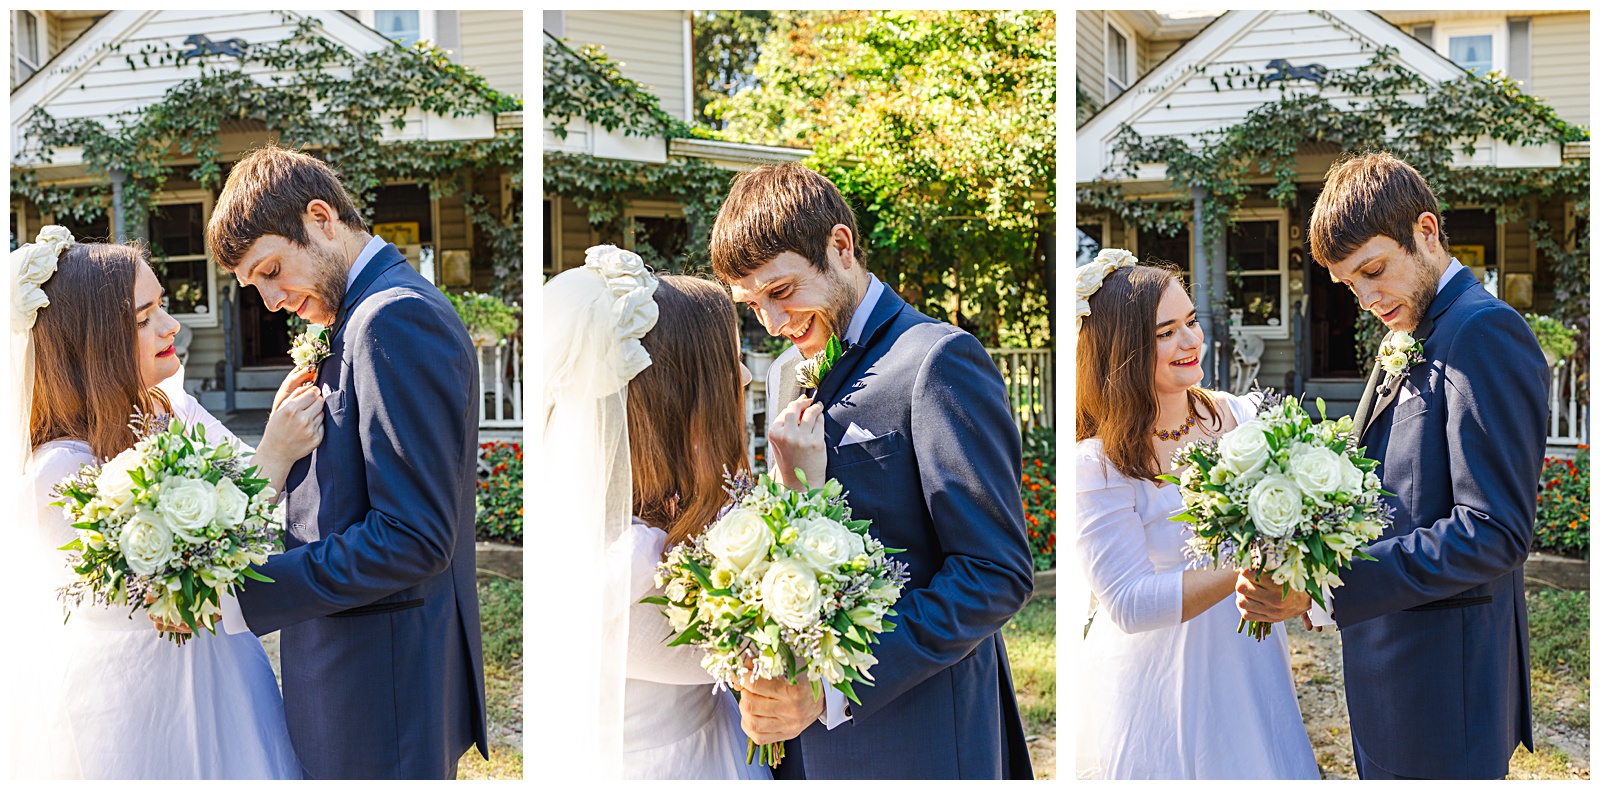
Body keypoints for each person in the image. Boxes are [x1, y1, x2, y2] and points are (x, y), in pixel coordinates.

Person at [708, 163, 1034, 780]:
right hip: (803, 749)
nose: (774, 324)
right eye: (753, 305)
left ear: (840, 246)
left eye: (781, 292)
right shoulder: (789, 370)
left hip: (919, 740)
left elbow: (995, 574)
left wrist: (834, 685)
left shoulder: (939, 360)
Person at [1238, 152, 1547, 780]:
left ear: (1426, 231)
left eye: (1374, 270)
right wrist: (1300, 544)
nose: (1367, 299)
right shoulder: (1409, 329)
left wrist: (1328, 585)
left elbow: (1494, 531)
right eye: (1351, 284)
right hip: (1391, 663)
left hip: (1443, 686)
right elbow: (1382, 485)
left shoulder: (1483, 332)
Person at [204, 145, 488, 779]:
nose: (272, 300)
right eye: (257, 286)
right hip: (352, 667)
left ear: (321, 218)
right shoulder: (358, 312)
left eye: (272, 269)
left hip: (378, 687)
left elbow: (413, 537)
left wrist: (247, 594)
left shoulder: (395, 318)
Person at [7, 229, 324, 779]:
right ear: (92, 341)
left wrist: (276, 438)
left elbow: (241, 488)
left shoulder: (171, 409)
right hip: (136, 703)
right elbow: (172, 594)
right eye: (143, 317)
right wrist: (273, 453)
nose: (170, 326)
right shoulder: (58, 472)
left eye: (164, 307)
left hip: (224, 678)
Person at [543, 246, 826, 779]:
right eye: (726, 359)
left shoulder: (654, 510)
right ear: (676, 394)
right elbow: (771, 655)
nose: (744, 376)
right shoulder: (619, 567)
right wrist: (801, 488)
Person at [1073, 254, 1320, 780]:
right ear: (1124, 350)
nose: (1190, 341)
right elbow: (1128, 602)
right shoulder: (1097, 466)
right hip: (1157, 685)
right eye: (1166, 332)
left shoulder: (1240, 418)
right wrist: (1244, 574)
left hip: (1251, 666)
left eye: (1190, 321)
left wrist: (1298, 582)